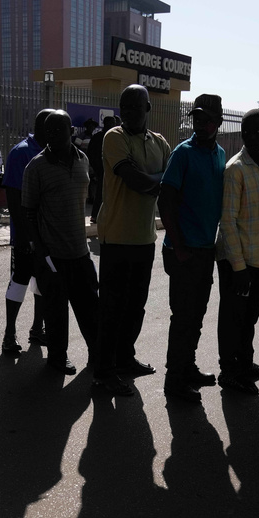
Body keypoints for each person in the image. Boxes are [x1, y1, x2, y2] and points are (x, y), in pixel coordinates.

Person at [93, 86, 170, 396]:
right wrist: (159, 181)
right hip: (116, 237)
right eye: (124, 106)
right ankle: (103, 372)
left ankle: (125, 358)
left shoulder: (160, 142)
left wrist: (158, 182)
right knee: (111, 307)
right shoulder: (114, 138)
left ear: (148, 107)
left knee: (135, 306)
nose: (129, 112)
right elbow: (135, 180)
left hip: (143, 238)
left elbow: (170, 182)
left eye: (136, 106)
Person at [158, 93, 226, 403]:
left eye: (207, 119)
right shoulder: (182, 153)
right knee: (183, 318)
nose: (201, 124)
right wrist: (181, 248)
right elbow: (166, 201)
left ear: (219, 122)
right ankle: (175, 382)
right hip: (183, 251)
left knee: (196, 316)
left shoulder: (220, 154)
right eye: (197, 118)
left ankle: (188, 367)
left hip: (204, 250)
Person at [22, 109, 97, 374]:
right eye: (48, 130)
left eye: (58, 129)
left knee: (89, 307)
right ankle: (57, 357)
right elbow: (28, 212)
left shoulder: (83, 160)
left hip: (80, 251)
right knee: (56, 312)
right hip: (52, 255)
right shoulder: (37, 167)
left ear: (71, 131)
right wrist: (40, 250)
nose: (52, 134)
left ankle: (96, 355)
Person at [214, 109, 259, 396]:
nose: (252, 136)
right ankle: (229, 371)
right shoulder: (235, 168)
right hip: (235, 261)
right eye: (247, 131)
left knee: (250, 316)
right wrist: (238, 269)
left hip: (258, 257)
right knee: (232, 317)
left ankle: (245, 363)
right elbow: (227, 221)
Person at [1, 108, 52, 355]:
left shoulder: (53, 151)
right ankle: (9, 335)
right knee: (20, 281)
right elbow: (13, 198)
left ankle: (36, 330)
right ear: (43, 127)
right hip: (26, 236)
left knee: (42, 283)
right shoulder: (21, 153)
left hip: (48, 236)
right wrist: (23, 236)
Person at [87, 115, 116, 222]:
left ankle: (98, 215)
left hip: (104, 169)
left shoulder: (99, 136)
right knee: (102, 193)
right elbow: (91, 154)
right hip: (104, 169)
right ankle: (97, 215)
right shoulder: (108, 137)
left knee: (103, 193)